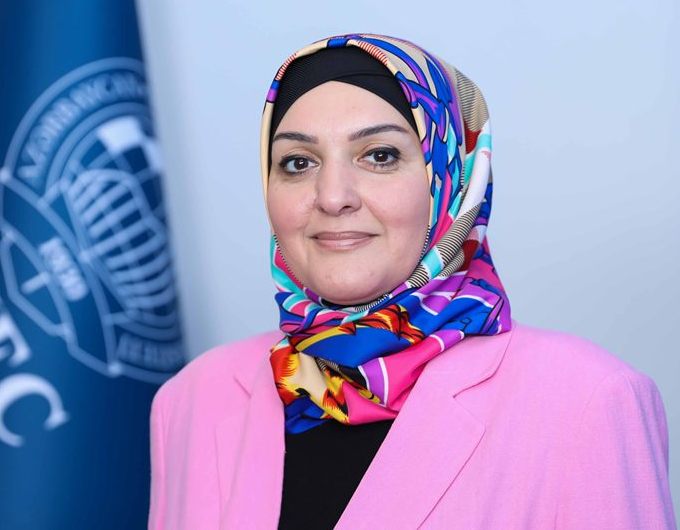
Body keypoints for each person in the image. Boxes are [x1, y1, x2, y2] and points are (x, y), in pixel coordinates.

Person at [148, 33, 676, 529]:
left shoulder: (587, 401)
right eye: (298, 162)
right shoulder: (191, 400)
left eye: (379, 156)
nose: (333, 196)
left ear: (450, 180)